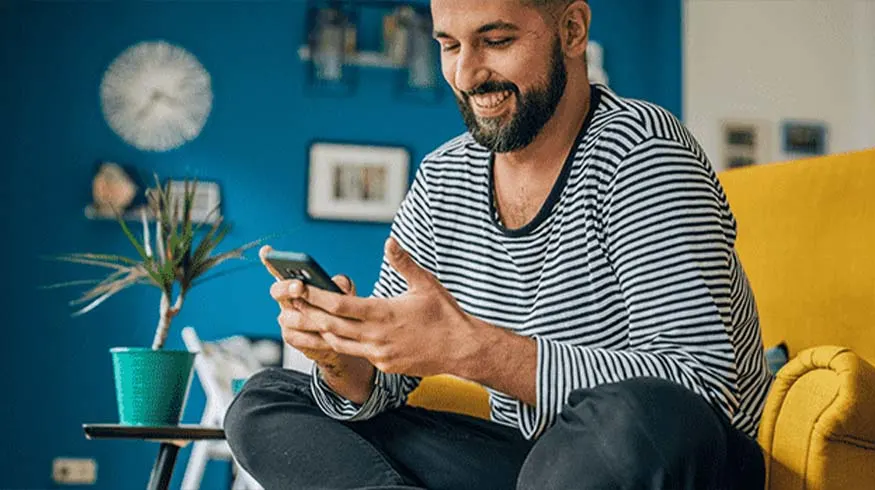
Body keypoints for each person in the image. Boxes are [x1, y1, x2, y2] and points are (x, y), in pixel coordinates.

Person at [224, 0, 774, 488]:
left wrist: (471, 349)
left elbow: (697, 389)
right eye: (448, 45)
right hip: (534, 463)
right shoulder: (444, 177)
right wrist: (342, 358)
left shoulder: (643, 154)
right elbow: (383, 382)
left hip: (668, 457)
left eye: (497, 41)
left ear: (573, 31)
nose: (467, 74)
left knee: (637, 412)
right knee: (265, 401)